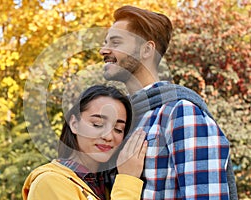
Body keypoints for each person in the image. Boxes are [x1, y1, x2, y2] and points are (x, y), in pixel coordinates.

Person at [99, 5, 237, 200]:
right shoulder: (125, 118)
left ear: (147, 50)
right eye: (105, 42)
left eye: (116, 42)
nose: (103, 50)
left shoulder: (181, 112)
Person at [22, 85, 147, 200]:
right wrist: (127, 181)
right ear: (74, 124)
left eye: (118, 129)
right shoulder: (49, 182)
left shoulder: (105, 185)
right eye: (98, 124)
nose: (108, 136)